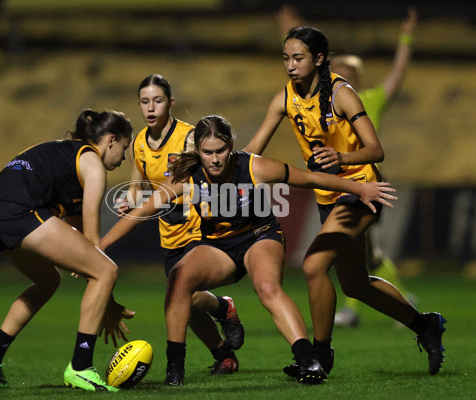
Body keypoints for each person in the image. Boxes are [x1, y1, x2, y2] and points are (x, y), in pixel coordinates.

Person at [101, 114, 398, 386]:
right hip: (218, 247)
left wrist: (358, 188)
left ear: (230, 146)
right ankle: (174, 371)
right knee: (178, 279)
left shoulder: (253, 166)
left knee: (267, 287)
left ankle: (309, 362)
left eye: (221, 151)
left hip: (259, 238)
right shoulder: (187, 177)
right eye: (208, 152)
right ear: (198, 152)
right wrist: (100, 248)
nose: (215, 159)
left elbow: (309, 179)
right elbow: (140, 212)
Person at [243, 26, 446, 377]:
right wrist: (209, 164)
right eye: (286, 58)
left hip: (361, 191)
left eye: (298, 58)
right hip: (328, 198)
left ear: (319, 59)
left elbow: (375, 150)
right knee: (355, 284)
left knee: (313, 266)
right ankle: (424, 325)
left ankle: (320, 355)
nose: (290, 66)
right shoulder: (285, 97)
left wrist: (341, 158)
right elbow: (250, 152)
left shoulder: (342, 94)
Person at [0, 109, 135, 392]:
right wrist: (107, 303)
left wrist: (88, 269)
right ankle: (81, 367)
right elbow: (93, 243)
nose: (124, 158)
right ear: (110, 140)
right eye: (124, 147)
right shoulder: (92, 164)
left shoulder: (65, 156)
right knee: (107, 270)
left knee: (49, 280)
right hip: (18, 212)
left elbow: (75, 238)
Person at [278, 4, 421, 328]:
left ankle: (341, 326)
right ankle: (408, 311)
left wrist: (407, 38)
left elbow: (397, 74)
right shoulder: (314, 95)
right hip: (332, 189)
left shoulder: (367, 98)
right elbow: (301, 55)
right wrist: (291, 28)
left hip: (361, 185)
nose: (336, 71)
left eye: (344, 68)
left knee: (340, 256)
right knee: (360, 260)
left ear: (355, 75)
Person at [116, 74, 244, 375]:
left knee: (180, 296)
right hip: (169, 232)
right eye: (145, 102)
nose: (151, 108)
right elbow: (139, 186)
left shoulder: (189, 137)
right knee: (185, 305)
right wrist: (129, 199)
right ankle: (224, 348)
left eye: (158, 101)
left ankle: (188, 357)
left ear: (170, 103)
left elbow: (208, 174)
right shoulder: (139, 144)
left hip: (199, 227)